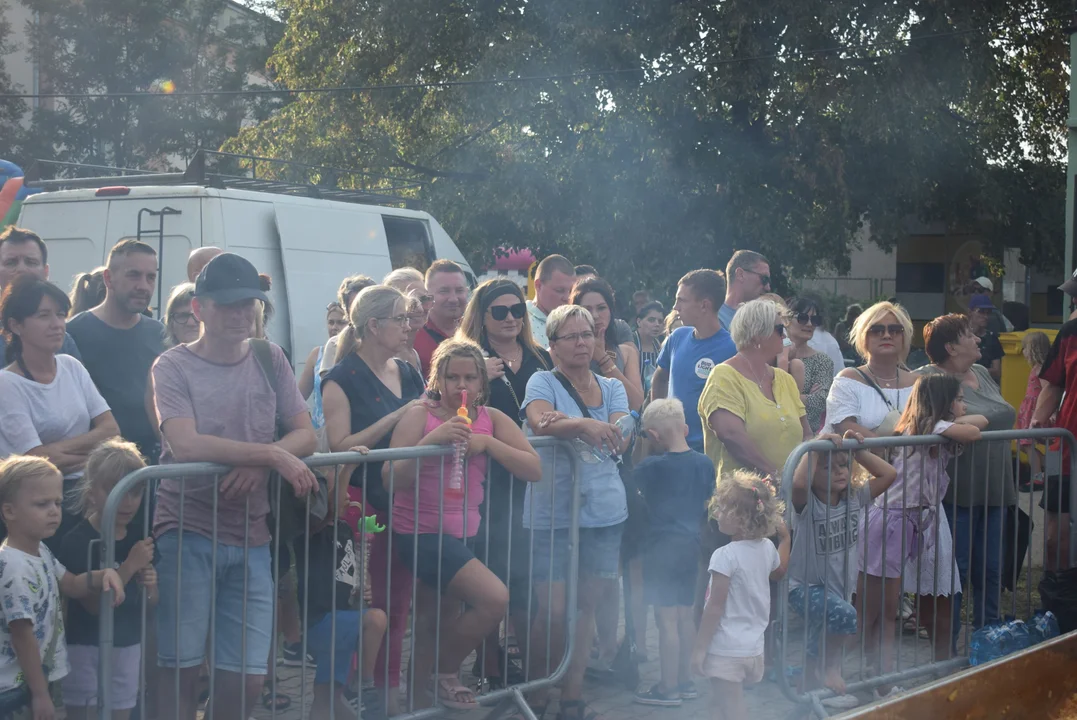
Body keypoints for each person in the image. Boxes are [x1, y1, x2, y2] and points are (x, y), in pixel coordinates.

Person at [151, 252, 317, 720]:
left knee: (246, 680)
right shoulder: (171, 365)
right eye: (229, 305)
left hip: (253, 536)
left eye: (250, 304)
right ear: (199, 307)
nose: (241, 313)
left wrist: (267, 463)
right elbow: (184, 444)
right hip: (185, 530)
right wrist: (269, 454)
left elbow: (307, 434)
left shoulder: (270, 356)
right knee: (181, 670)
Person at [385, 339, 540, 710]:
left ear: (482, 381)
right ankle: (444, 672)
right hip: (420, 532)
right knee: (494, 598)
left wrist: (487, 444)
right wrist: (433, 439)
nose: (461, 385)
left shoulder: (490, 418)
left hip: (462, 532)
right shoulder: (420, 415)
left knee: (432, 620)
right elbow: (390, 477)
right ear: (438, 377)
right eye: (452, 377)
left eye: (470, 376)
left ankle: (417, 700)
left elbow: (534, 468)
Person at [521, 304, 630, 720]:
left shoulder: (611, 385)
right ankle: (535, 691)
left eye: (587, 334)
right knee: (552, 609)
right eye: (572, 336)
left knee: (585, 606)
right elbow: (538, 422)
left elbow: (621, 429)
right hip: (553, 513)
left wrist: (569, 422)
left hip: (604, 512)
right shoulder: (542, 380)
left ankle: (572, 696)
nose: (583, 342)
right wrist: (584, 425)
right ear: (553, 346)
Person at [321, 285, 426, 716]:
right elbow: (340, 444)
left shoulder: (409, 371)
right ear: (373, 326)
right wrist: (396, 417)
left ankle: (388, 693)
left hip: (405, 497)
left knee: (398, 602)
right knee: (361, 606)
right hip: (361, 502)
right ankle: (344, 694)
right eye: (401, 319)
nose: (408, 326)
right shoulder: (340, 379)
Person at [860, 374, 985, 697]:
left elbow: (980, 419)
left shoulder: (933, 428)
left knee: (887, 609)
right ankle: (861, 676)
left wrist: (954, 414)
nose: (964, 405)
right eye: (958, 399)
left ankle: (879, 676)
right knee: (877, 610)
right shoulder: (932, 428)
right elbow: (973, 429)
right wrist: (952, 418)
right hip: (891, 522)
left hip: (910, 523)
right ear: (943, 404)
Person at [455, 278, 551, 686]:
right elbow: (445, 410)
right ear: (482, 315)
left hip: (533, 483)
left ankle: (529, 675)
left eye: (517, 310)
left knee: (528, 579)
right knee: (491, 578)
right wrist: (477, 382)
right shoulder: (469, 359)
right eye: (500, 311)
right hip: (486, 487)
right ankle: (489, 670)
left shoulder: (540, 357)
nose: (511, 318)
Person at [0, 455, 126, 720]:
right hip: (16, 689)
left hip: (38, 680)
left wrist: (104, 574)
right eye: (41, 504)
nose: (54, 511)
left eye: (57, 502)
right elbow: (22, 635)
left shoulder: (40, 551)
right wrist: (40, 694)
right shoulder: (13, 567)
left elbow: (71, 583)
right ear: (9, 511)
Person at [0, 276, 119, 548]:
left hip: (86, 498)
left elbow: (111, 429)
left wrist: (56, 451)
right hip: (38, 509)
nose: (56, 324)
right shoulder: (6, 384)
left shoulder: (71, 366)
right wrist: (93, 453)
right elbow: (34, 459)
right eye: (44, 315)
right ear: (15, 325)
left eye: (61, 315)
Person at [917, 314, 1016, 638]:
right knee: (954, 569)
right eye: (969, 335)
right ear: (950, 346)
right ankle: (947, 643)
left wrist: (975, 420)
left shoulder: (983, 373)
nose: (977, 339)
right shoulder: (928, 377)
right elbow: (929, 422)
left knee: (991, 568)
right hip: (955, 489)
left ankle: (988, 635)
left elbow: (993, 415)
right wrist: (981, 421)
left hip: (995, 484)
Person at [788, 432, 897, 709]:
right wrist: (815, 447)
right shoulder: (807, 504)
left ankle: (808, 700)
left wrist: (854, 449)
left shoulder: (854, 499)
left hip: (837, 589)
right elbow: (799, 483)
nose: (839, 471)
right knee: (846, 615)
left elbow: (888, 475)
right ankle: (830, 670)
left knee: (816, 643)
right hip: (804, 587)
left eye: (843, 465)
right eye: (829, 467)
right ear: (813, 471)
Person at [57, 439, 157, 720]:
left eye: (135, 492)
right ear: (91, 493)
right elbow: (92, 606)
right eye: (115, 490)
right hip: (84, 647)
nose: (127, 502)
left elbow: (150, 606)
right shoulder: (76, 540)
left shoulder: (140, 538)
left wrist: (151, 586)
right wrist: (127, 567)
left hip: (127, 646)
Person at [632, 399, 715, 708]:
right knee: (684, 616)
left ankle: (667, 689)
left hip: (661, 549)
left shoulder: (652, 466)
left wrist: (643, 445)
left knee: (665, 621)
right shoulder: (704, 463)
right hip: (691, 546)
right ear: (686, 428)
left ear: (653, 436)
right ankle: (685, 680)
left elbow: (635, 474)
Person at [690, 470, 790, 720]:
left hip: (727, 649)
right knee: (717, 703)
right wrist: (786, 539)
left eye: (723, 509)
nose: (717, 513)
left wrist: (699, 649)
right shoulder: (767, 547)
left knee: (733, 708)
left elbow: (714, 608)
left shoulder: (725, 556)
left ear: (742, 518)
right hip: (753, 648)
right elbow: (779, 572)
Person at [67, 239, 165, 462]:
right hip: (97, 467)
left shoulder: (159, 332)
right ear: (109, 278)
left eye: (151, 277)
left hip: (151, 467)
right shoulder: (73, 333)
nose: (144, 285)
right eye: (134, 275)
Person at [292, 503, 389, 720]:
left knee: (328, 697)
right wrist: (347, 469)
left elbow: (348, 574)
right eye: (341, 491)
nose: (348, 497)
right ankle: (364, 685)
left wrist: (364, 586)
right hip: (320, 621)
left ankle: (356, 690)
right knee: (376, 619)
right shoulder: (310, 528)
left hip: (343, 622)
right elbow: (326, 509)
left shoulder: (344, 529)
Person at [652, 270, 736, 453]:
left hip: (710, 452)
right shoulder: (677, 337)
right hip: (672, 449)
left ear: (704, 305)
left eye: (681, 300)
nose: (675, 307)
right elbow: (659, 379)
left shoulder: (733, 348)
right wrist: (657, 423)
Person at [825, 301, 917, 438]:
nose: (886, 335)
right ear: (864, 336)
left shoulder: (918, 383)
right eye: (877, 330)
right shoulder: (848, 379)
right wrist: (890, 452)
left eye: (895, 330)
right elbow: (844, 426)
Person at [0, 227, 81, 361]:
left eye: (31, 262)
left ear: (45, 272)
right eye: (11, 262)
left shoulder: (61, 340)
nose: (21, 269)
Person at [571, 277, 645, 411]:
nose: (595, 315)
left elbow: (637, 404)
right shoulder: (563, 350)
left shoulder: (626, 352)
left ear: (611, 310)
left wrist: (602, 358)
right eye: (587, 309)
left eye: (601, 308)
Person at [299, 302, 348, 452]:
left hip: (347, 436)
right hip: (320, 436)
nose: (334, 327)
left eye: (341, 322)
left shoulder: (356, 357)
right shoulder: (316, 354)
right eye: (331, 322)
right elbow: (297, 399)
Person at [785, 297, 835, 433]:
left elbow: (820, 402)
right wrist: (804, 397)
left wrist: (785, 399)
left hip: (806, 440)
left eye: (815, 320)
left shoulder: (822, 361)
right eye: (802, 318)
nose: (809, 324)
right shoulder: (772, 355)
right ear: (787, 320)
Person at [414, 260, 469, 377]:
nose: (453, 299)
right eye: (444, 291)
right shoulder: (412, 335)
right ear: (427, 295)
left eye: (459, 290)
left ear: (467, 292)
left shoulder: (476, 330)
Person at [318, 275, 377, 378]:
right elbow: (329, 387)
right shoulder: (335, 345)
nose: (360, 310)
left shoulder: (387, 341)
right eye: (354, 305)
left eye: (365, 303)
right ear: (347, 310)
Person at [1017, 332, 1051, 490]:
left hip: (1035, 411)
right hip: (1030, 409)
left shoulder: (1041, 369)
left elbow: (1047, 389)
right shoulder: (1036, 368)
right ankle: (1049, 469)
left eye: (1024, 348)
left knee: (1027, 443)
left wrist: (1049, 412)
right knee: (1024, 444)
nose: (1022, 351)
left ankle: (1038, 478)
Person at [384, 267, 431, 372]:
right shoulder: (387, 357)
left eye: (424, 299)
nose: (420, 308)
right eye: (410, 301)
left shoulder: (413, 353)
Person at [528, 254, 575, 347]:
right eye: (560, 290)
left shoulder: (574, 322)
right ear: (538, 286)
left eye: (571, 291)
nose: (567, 297)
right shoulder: (522, 324)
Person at [720, 250, 770, 331]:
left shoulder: (762, 318)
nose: (768, 287)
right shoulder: (712, 318)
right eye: (764, 279)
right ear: (740, 274)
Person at [968, 294, 1004, 384]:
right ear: (970, 312)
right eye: (981, 312)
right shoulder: (960, 336)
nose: (985, 316)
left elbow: (997, 371)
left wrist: (971, 371)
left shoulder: (991, 338)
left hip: (986, 386)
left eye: (988, 312)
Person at [633, 301, 665, 397]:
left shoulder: (659, 346)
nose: (657, 324)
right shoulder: (630, 341)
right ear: (639, 321)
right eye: (651, 320)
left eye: (660, 321)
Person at [163, 283, 199, 347]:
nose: (190, 323)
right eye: (183, 316)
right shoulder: (164, 357)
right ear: (171, 324)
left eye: (197, 315)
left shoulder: (222, 355)